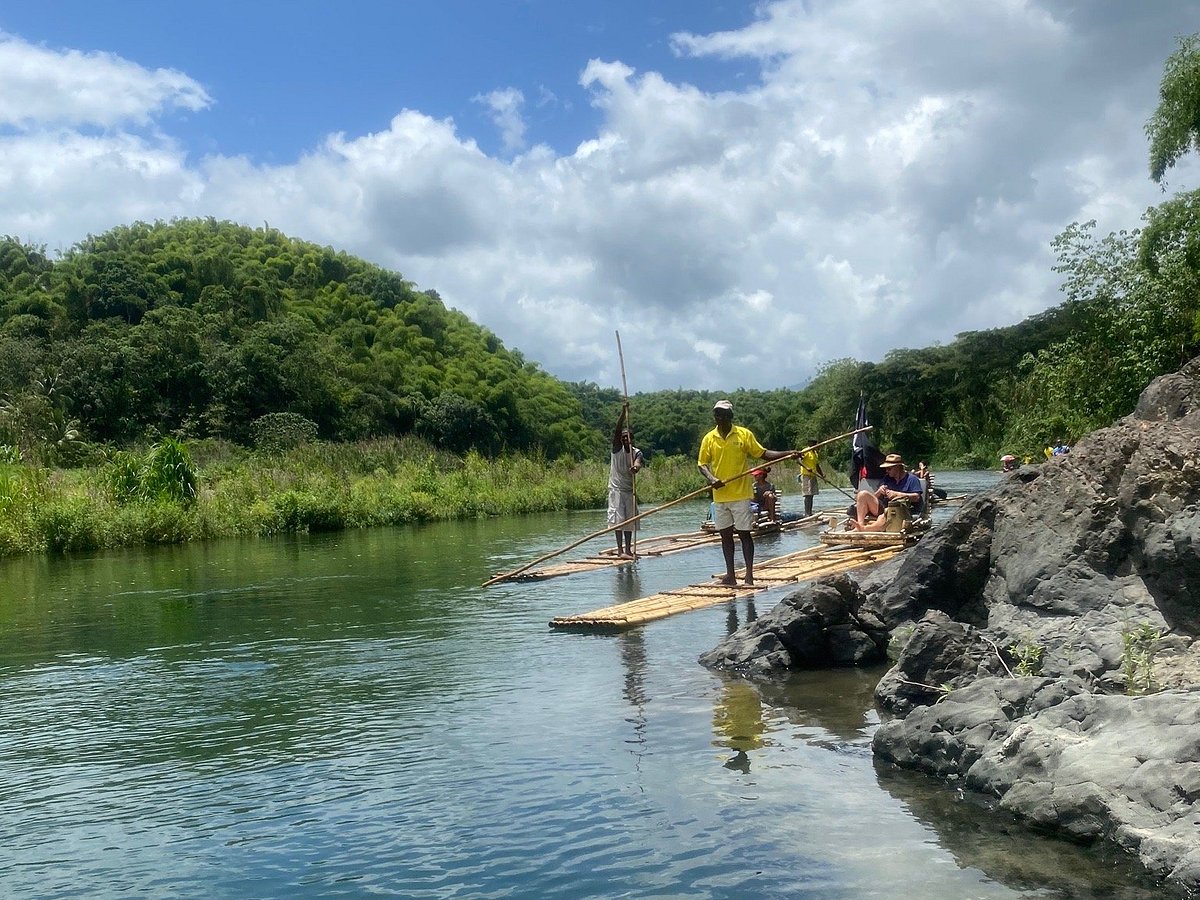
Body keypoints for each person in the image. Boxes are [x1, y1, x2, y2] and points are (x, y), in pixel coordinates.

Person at [697, 399, 797, 585]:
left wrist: (788, 453)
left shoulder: (743, 435)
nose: (719, 417)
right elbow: (702, 464)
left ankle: (749, 575)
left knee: (744, 534)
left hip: (741, 495)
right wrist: (712, 479)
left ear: (730, 416)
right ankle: (731, 576)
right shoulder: (709, 438)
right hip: (720, 496)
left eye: (723, 414)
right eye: (717, 414)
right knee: (725, 536)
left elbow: (763, 453)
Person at [848, 452, 924, 532]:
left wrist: (897, 494)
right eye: (886, 468)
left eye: (889, 468)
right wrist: (879, 491)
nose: (886, 471)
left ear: (897, 467)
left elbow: (917, 497)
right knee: (862, 494)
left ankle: (863, 529)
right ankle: (860, 524)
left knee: (883, 517)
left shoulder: (912, 479)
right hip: (883, 507)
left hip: (900, 510)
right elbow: (875, 497)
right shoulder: (887, 478)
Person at [608, 405, 643, 558]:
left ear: (632, 439)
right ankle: (620, 551)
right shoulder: (617, 449)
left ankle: (628, 550)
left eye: (626, 437)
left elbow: (638, 463)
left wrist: (635, 468)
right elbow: (617, 430)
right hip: (616, 490)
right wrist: (623, 413)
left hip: (629, 491)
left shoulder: (636, 452)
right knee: (618, 520)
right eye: (622, 438)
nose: (623, 439)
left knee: (630, 520)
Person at [797, 439, 826, 517]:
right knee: (807, 495)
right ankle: (807, 513)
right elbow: (799, 460)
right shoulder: (806, 451)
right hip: (806, 475)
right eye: (814, 444)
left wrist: (822, 475)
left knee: (811, 494)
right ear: (810, 444)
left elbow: (817, 465)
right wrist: (806, 467)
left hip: (813, 475)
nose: (816, 446)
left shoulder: (815, 453)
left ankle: (810, 512)